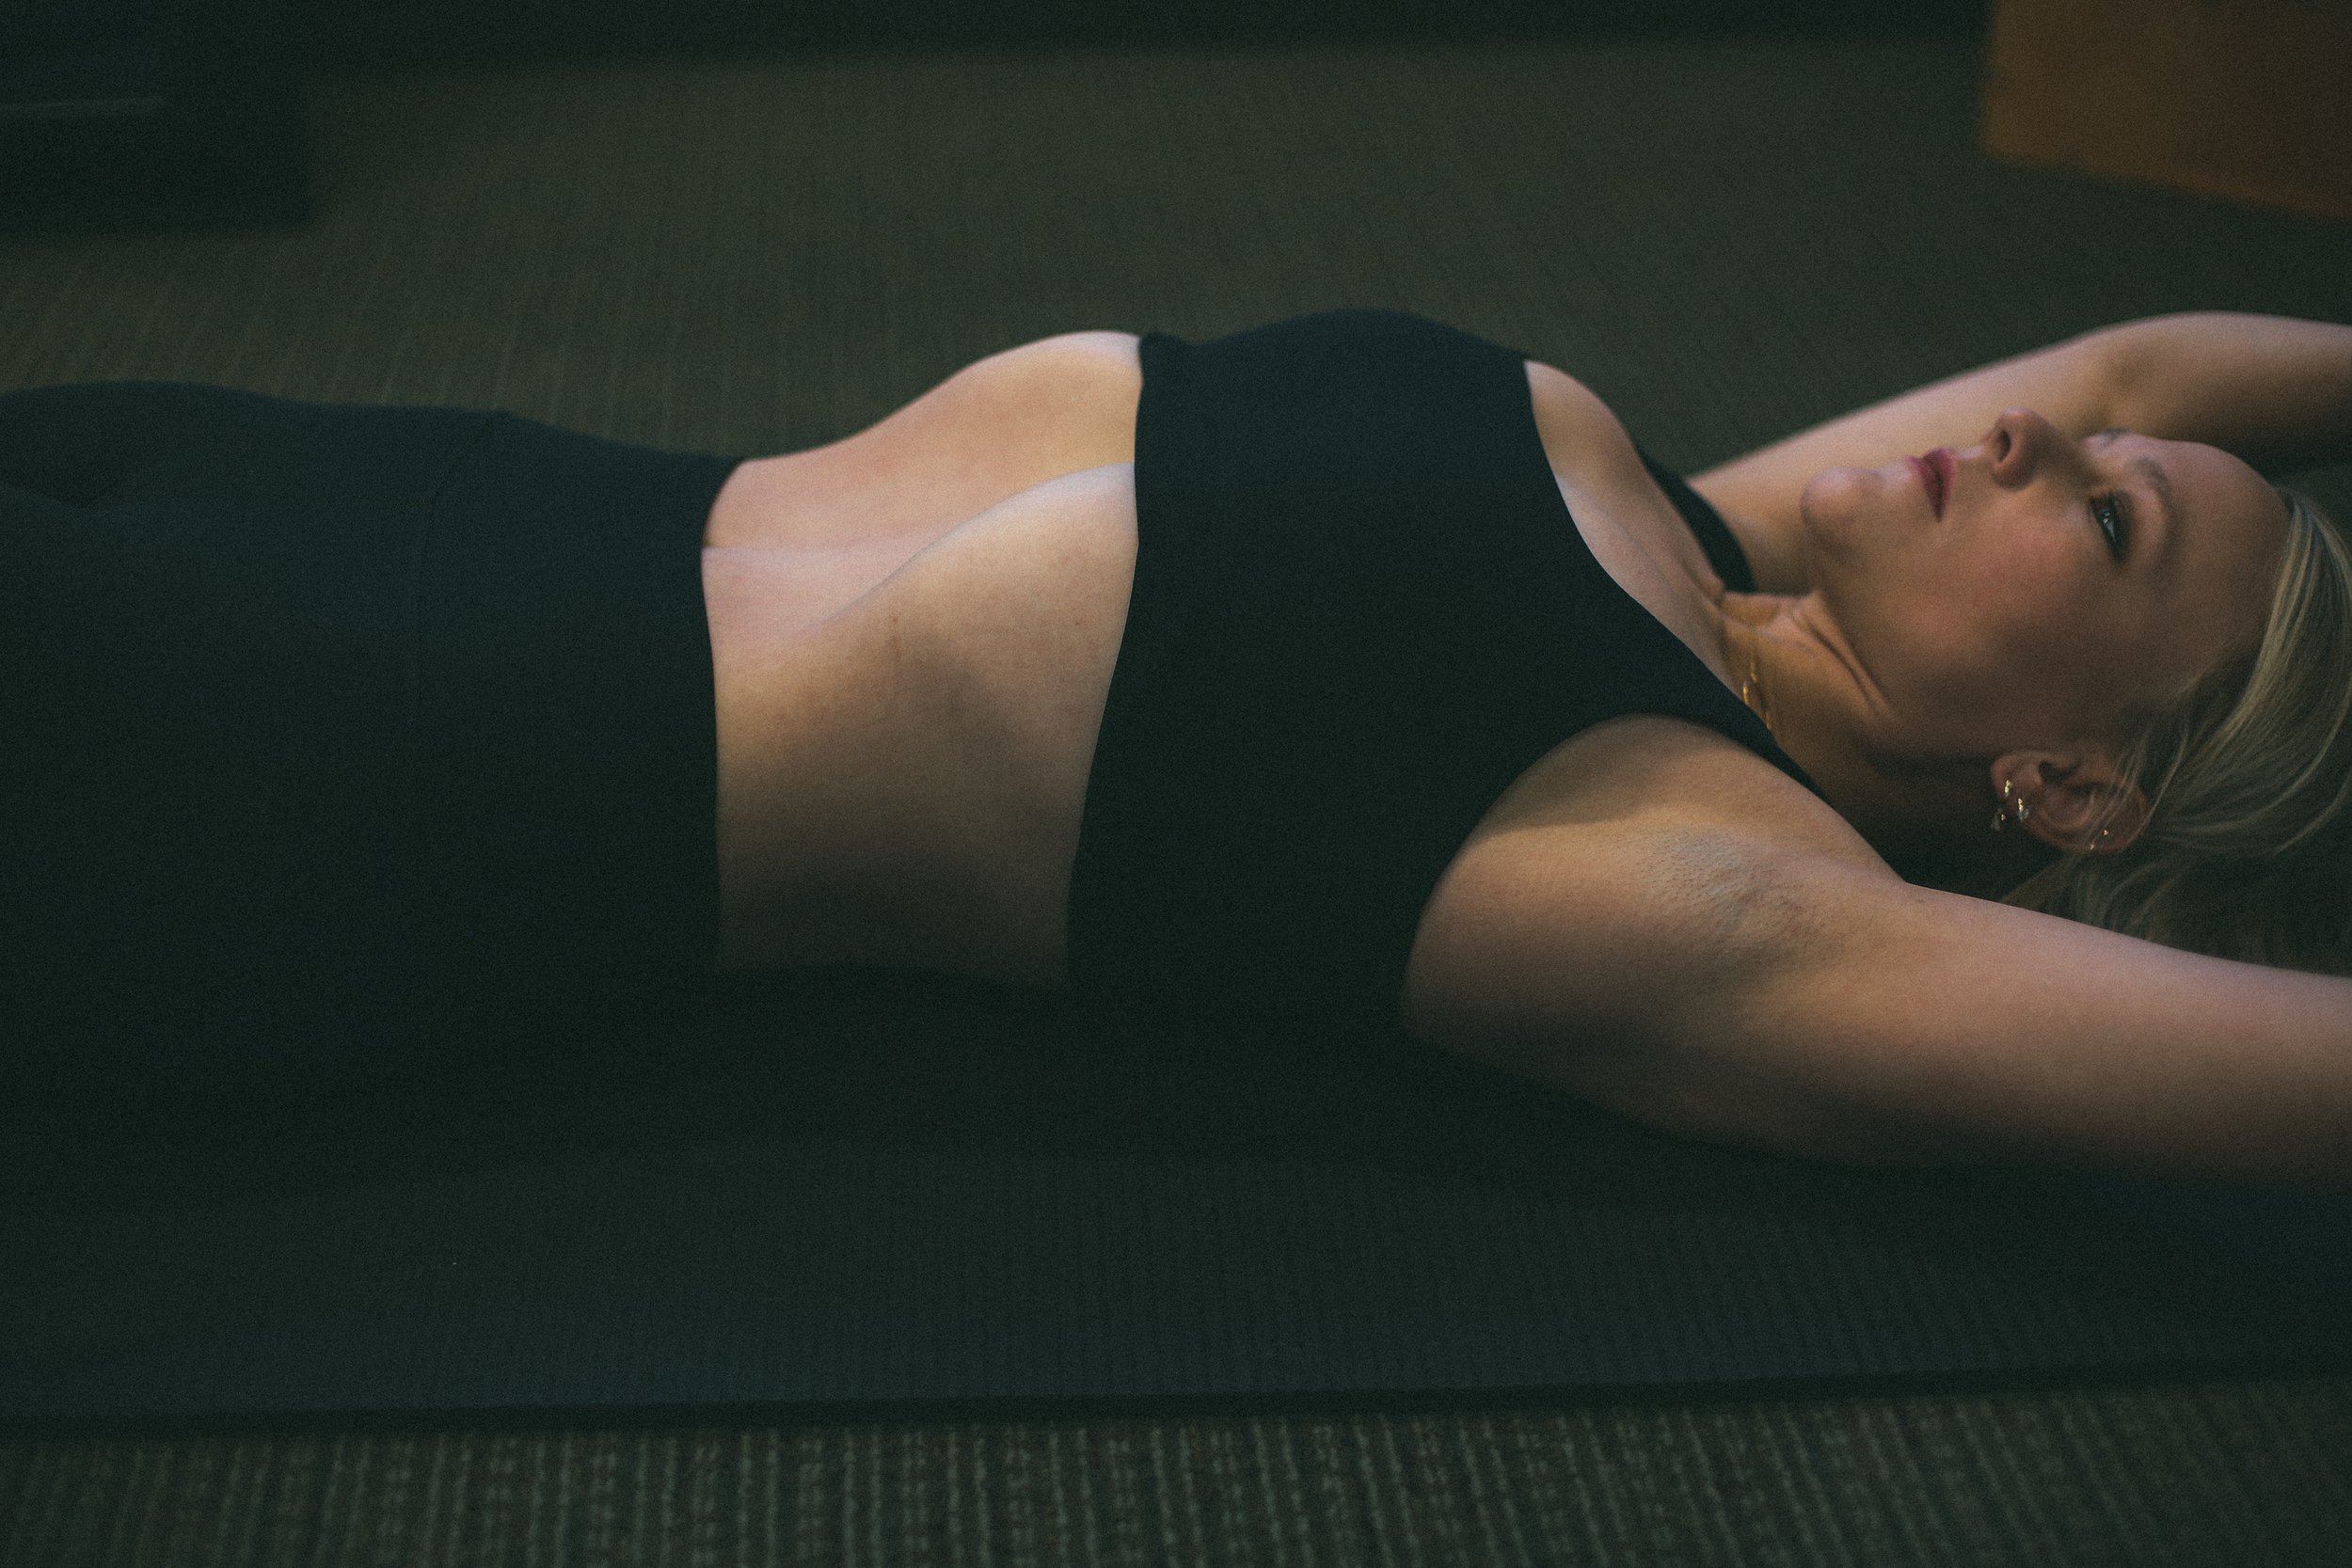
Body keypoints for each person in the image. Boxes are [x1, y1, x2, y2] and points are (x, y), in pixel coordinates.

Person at [8, 309, 2351, 1185]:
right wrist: (2149, 439)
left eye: (2102, 518)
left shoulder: (1692, 877)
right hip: (370, 475)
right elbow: (2157, 368)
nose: (2037, 433)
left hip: (314, 752)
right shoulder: (1690, 534)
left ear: (2070, 791)